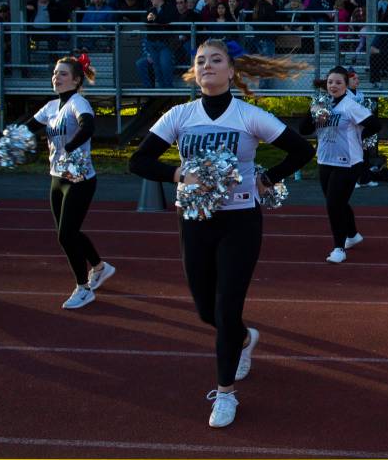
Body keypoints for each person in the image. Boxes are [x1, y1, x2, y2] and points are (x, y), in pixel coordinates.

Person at [128, 39, 314, 428]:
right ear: (195, 72)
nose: (207, 66)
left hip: (240, 221)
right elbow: (139, 161)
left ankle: (225, 393)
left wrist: (267, 178)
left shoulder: (248, 116)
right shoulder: (179, 115)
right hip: (194, 220)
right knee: (204, 310)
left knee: (227, 307)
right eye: (201, 61)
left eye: (216, 60)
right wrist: (180, 174)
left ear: (231, 71)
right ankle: (245, 339)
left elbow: (300, 151)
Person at [20, 54, 113, 309]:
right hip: (56, 178)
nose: (56, 77)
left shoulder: (78, 102)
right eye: (54, 73)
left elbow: (88, 127)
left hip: (79, 179)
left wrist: (70, 148)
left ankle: (83, 288)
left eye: (62, 74)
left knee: (66, 235)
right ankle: (100, 267)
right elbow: (28, 128)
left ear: (75, 79)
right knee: (68, 231)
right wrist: (11, 140)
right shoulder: (50, 107)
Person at [299, 67, 381, 262]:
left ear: (345, 86)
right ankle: (352, 235)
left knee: (333, 205)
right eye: (330, 82)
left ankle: (339, 248)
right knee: (338, 202)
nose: (333, 86)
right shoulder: (322, 104)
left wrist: (359, 137)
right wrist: (312, 111)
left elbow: (376, 125)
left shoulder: (349, 105)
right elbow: (304, 130)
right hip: (325, 160)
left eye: (338, 82)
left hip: (348, 163)